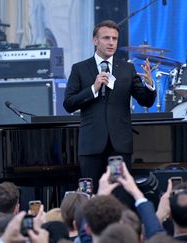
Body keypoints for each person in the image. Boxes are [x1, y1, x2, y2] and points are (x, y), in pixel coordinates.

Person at [63, 20, 156, 188]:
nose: (111, 42)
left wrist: (149, 85)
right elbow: (69, 103)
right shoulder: (80, 69)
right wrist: (93, 88)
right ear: (95, 41)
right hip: (91, 145)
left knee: (118, 191)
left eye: (115, 38)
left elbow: (145, 100)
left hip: (119, 146)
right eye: (106, 38)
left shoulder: (127, 69)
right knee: (91, 193)